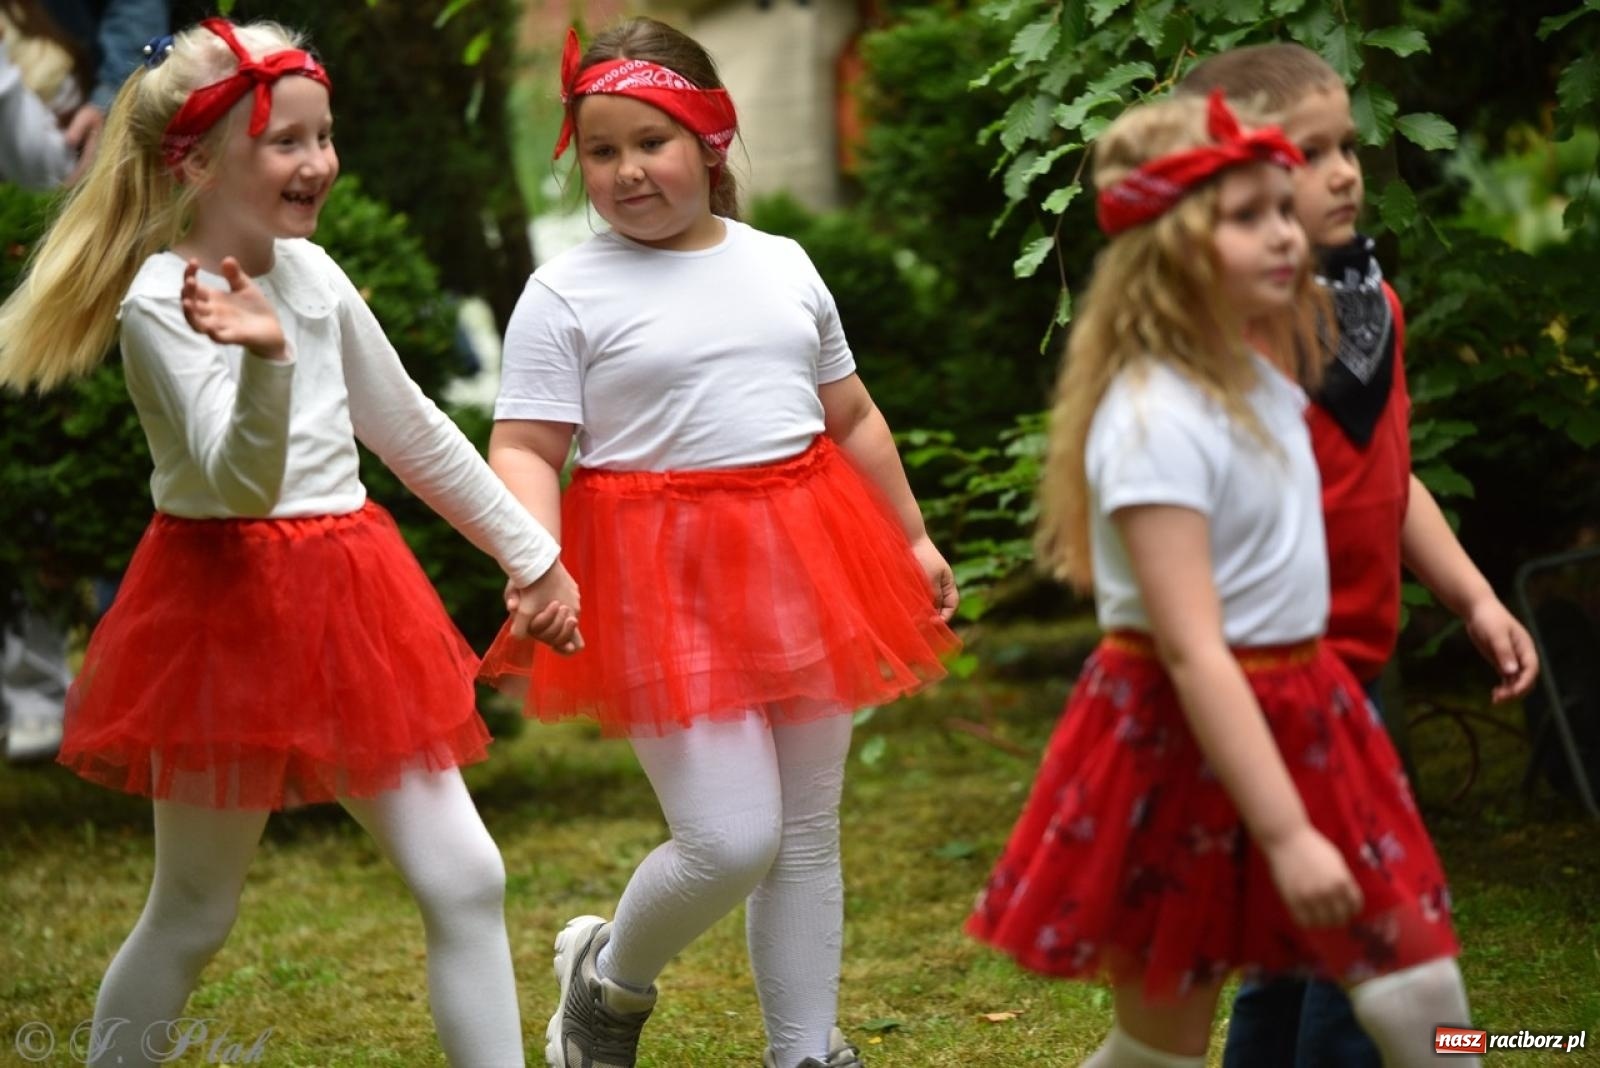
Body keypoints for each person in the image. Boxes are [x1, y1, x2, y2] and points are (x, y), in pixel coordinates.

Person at [0, 18, 582, 1067]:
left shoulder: (311, 273)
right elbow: (236, 482)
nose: (320, 162)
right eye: (288, 141)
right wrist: (265, 361)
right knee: (191, 909)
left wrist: (528, 552)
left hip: (348, 599)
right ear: (197, 158)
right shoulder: (158, 305)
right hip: (221, 610)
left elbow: (410, 429)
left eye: (324, 135)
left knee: (467, 877)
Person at [475, 17, 960, 1068]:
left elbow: (853, 417)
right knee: (730, 838)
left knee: (805, 834)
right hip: (658, 577)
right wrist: (536, 557)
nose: (625, 171)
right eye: (600, 152)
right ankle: (607, 978)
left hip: (806, 557)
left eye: (648, 142)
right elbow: (523, 443)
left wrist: (910, 538)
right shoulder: (567, 293)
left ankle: (802, 1052)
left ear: (709, 138)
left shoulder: (780, 263)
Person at [964, 91, 1477, 1068]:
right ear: (1167, 248)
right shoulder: (1155, 419)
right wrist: (1285, 835)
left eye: (1279, 209)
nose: (1285, 234)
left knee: (1425, 993)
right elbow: (1194, 648)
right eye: (1246, 218)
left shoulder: (1267, 372)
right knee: (1160, 1044)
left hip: (1309, 707)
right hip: (1183, 736)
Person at [1175, 43, 1539, 1068]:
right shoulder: (1230, 340)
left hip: (1361, 664)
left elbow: (1391, 476)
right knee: (1375, 930)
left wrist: (1472, 598)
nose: (1341, 172)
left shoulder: (1370, 304)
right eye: (1307, 152)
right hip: (1275, 680)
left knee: (1302, 939)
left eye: (1347, 147)